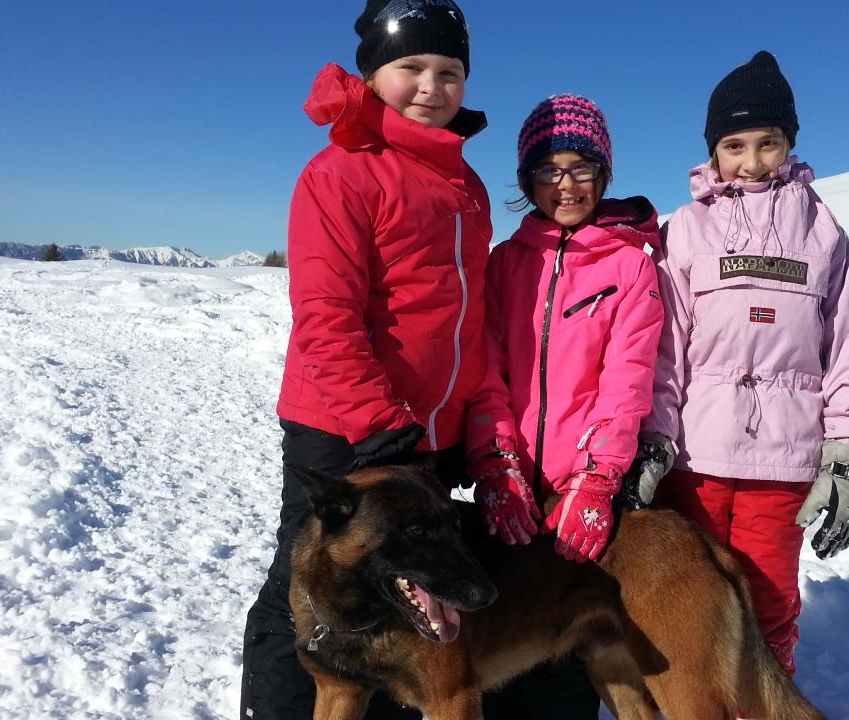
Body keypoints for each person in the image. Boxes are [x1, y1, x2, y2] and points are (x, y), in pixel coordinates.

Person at [239, 2, 491, 719]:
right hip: (347, 428)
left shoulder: (465, 184)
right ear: (374, 75)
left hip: (428, 434)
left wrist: (463, 420)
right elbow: (326, 316)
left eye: (449, 72)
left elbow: (461, 319)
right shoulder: (341, 171)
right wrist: (379, 424)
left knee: (404, 592)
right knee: (311, 594)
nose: (431, 87)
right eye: (412, 67)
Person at [635, 51, 849, 677]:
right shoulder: (686, 229)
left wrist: (847, 451)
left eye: (767, 143)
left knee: (767, 603)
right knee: (685, 597)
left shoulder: (823, 232)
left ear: (790, 143)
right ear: (713, 152)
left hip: (782, 460)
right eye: (734, 146)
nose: (751, 163)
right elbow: (665, 348)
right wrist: (654, 439)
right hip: (694, 458)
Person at [465, 95, 664, 718]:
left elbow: (627, 383)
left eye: (581, 168)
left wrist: (599, 478)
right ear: (527, 180)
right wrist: (495, 462)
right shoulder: (505, 263)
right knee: (500, 648)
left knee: (569, 657)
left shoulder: (630, 268)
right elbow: (486, 373)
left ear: (603, 175)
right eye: (549, 170)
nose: (566, 184)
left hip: (578, 490)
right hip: (513, 489)